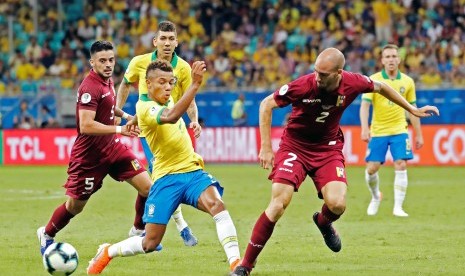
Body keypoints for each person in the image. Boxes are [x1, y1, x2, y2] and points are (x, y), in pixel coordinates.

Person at [231, 48, 439, 276]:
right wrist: (266, 147)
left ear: (339, 72)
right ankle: (245, 266)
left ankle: (323, 222)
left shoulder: (353, 82)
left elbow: (382, 88)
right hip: (295, 147)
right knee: (279, 202)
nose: (317, 77)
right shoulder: (303, 85)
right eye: (316, 71)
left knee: (338, 204)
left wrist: (411, 109)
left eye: (323, 74)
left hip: (328, 149)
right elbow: (266, 105)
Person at [86, 59, 241, 274]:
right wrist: (194, 85)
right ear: (148, 84)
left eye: (171, 82)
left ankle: (236, 265)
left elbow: (173, 108)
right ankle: (107, 252)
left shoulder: (165, 99)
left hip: (192, 171)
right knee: (149, 242)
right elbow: (170, 116)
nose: (168, 87)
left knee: (217, 206)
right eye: (162, 82)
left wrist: (191, 117)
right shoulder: (146, 106)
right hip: (166, 179)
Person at [36, 41, 159, 256]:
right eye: (102, 61)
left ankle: (138, 230)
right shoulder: (89, 87)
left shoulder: (107, 81)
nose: (108, 64)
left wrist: (127, 116)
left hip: (112, 148)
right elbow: (86, 125)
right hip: (89, 157)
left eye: (111, 60)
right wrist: (120, 130)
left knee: (148, 188)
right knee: (75, 206)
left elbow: (110, 106)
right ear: (92, 62)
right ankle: (46, 234)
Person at [116, 20, 199, 246]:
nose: (167, 43)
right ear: (155, 41)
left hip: (173, 128)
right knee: (160, 177)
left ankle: (136, 228)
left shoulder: (182, 67)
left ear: (177, 42)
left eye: (171, 39)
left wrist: (194, 120)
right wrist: (118, 113)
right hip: (149, 129)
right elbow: (124, 84)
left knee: (155, 181)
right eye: (163, 38)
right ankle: (182, 226)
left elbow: (188, 97)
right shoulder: (139, 62)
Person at [360, 44, 423, 217]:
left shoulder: (408, 81)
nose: (391, 60)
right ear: (382, 60)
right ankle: (375, 197)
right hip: (378, 131)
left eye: (394, 56)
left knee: (401, 163)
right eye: (387, 57)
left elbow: (413, 109)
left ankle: (398, 207)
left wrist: (419, 133)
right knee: (372, 168)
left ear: (399, 59)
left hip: (399, 130)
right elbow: (364, 106)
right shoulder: (373, 80)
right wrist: (365, 128)